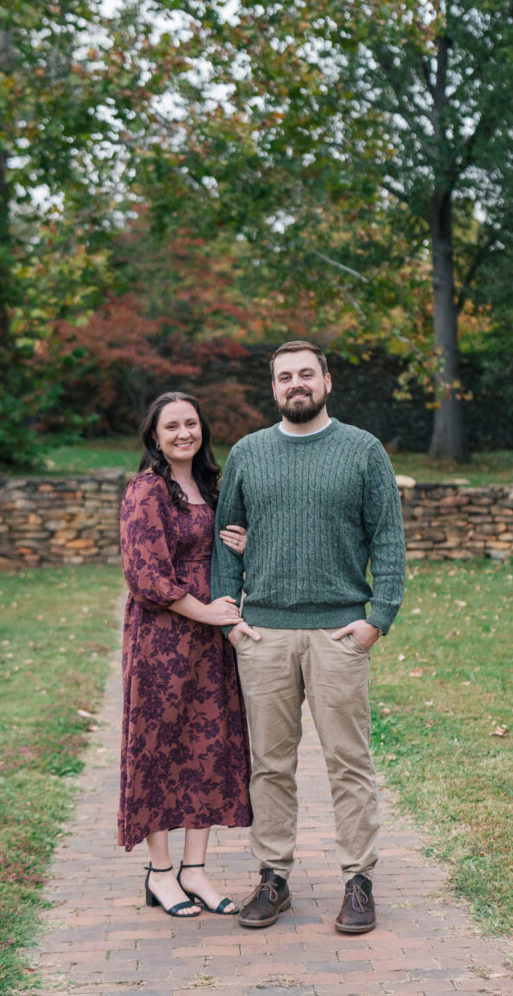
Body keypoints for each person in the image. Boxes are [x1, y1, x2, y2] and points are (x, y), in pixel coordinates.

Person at [211, 340, 406, 934]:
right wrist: (233, 621)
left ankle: (359, 880)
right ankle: (273, 877)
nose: (295, 384)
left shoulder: (362, 451)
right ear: (273, 388)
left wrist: (378, 619)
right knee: (269, 765)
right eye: (283, 377)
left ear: (327, 381)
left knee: (349, 761)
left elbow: (388, 541)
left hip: (339, 634)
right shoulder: (248, 452)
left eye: (305, 374)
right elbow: (225, 541)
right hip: (265, 634)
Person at [118, 391, 253, 918]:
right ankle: (160, 875)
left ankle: (195, 871)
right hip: (161, 642)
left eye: (191, 423)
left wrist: (238, 543)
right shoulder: (146, 491)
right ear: (154, 436)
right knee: (160, 747)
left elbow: (217, 548)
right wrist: (211, 614)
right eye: (171, 425)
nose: (182, 433)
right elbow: (147, 577)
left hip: (208, 644)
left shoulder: (211, 487)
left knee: (207, 744)